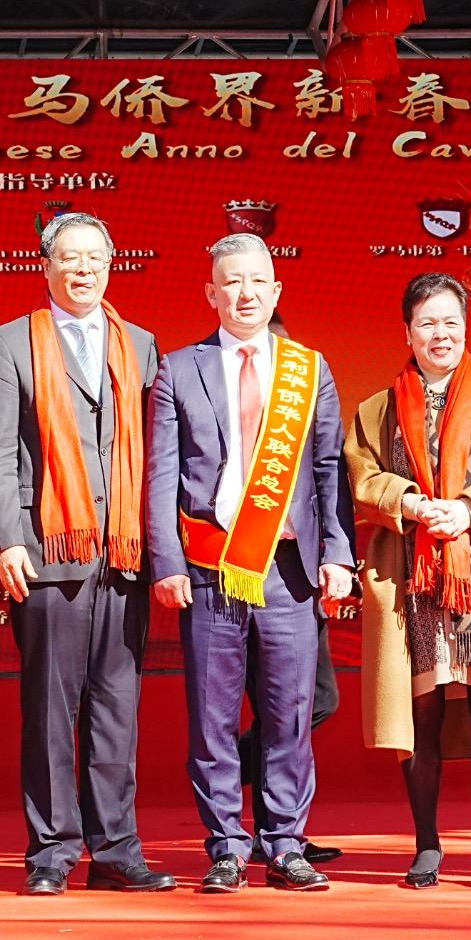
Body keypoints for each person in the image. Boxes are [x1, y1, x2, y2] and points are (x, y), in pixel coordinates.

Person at [147, 234, 355, 893]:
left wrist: (339, 554)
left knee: (289, 713)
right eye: (231, 282)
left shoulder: (308, 369)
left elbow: (330, 468)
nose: (245, 294)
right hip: (210, 564)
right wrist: (166, 562)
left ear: (275, 290)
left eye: (257, 281)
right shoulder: (178, 369)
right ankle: (226, 846)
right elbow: (161, 475)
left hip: (288, 569)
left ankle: (285, 842)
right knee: (213, 717)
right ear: (211, 293)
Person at [0, 213, 170, 895]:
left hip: (123, 553)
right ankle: (52, 853)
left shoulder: (140, 344)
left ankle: (116, 851)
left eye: (94, 258)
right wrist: (8, 540)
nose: (82, 270)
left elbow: (157, 453)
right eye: (69, 258)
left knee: (117, 708)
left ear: (111, 265)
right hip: (46, 550)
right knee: (52, 712)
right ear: (46, 267)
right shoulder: (9, 344)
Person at [345, 272, 471, 889]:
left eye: (450, 322)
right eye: (427, 323)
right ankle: (427, 842)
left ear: (466, 328)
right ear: (407, 331)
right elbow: (361, 475)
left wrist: (469, 508)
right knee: (421, 709)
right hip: (413, 576)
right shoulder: (377, 408)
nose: (440, 334)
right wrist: (407, 502)